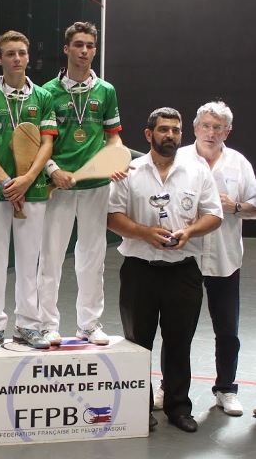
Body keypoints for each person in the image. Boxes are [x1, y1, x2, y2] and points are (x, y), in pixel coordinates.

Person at [108, 107, 222, 433]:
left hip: (182, 271)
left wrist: (189, 232)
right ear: (149, 134)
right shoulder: (128, 171)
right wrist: (144, 232)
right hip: (138, 271)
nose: (169, 135)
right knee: (138, 343)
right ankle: (139, 407)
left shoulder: (197, 172)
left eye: (175, 130)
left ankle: (177, 407)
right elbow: (111, 216)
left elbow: (213, 214)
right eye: (163, 130)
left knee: (179, 342)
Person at [153, 102, 256, 417]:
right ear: (195, 129)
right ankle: (169, 389)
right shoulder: (177, 158)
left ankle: (226, 389)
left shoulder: (239, 164)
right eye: (206, 126)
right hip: (185, 259)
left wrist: (235, 207)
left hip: (225, 261)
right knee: (176, 329)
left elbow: (254, 206)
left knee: (228, 331)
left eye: (218, 127)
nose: (211, 133)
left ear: (227, 131)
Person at [37, 21, 125, 347]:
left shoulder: (106, 91)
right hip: (58, 187)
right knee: (51, 258)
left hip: (96, 187)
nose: (84, 51)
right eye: (78, 45)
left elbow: (114, 139)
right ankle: (47, 325)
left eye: (90, 45)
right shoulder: (46, 92)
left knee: (93, 257)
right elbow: (37, 143)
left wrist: (113, 160)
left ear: (95, 49)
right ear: (66, 48)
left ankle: (89, 324)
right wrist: (51, 170)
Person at [0, 30, 57, 350]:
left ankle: (28, 325)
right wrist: (7, 181)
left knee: (29, 259)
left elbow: (48, 142)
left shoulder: (43, 97)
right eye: (10, 53)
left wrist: (27, 179)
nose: (17, 58)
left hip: (33, 191)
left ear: (28, 57)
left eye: (22, 53)